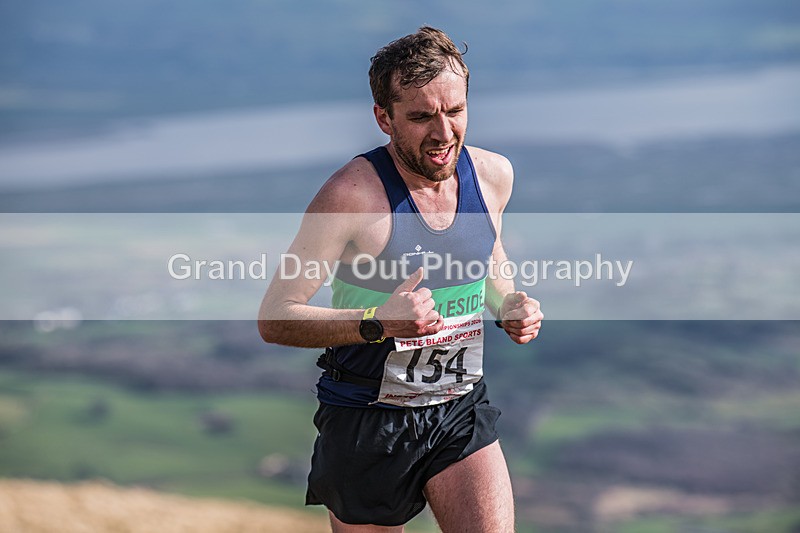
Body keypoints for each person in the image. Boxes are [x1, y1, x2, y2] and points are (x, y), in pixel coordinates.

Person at [258, 26, 543, 533]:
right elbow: (276, 317)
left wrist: (510, 304)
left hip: (459, 405)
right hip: (367, 417)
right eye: (420, 116)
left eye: (455, 111)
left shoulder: (493, 175)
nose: (443, 133)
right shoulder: (350, 197)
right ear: (383, 118)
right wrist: (376, 322)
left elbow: (489, 258)